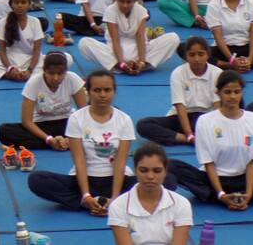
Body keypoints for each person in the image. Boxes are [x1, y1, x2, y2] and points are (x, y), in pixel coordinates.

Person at [28, 70, 174, 214]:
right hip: (83, 180)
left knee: (168, 180)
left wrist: (115, 198)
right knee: (37, 180)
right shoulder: (76, 118)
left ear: (114, 92)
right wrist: (86, 195)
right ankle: (90, 202)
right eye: (97, 90)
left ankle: (114, 203)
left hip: (117, 180)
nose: (102, 95)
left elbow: (120, 162)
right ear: (89, 92)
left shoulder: (124, 120)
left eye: (107, 90)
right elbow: (79, 160)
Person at [168, 71, 253, 209]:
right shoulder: (205, 121)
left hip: (246, 179)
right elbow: (208, 163)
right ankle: (221, 196)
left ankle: (242, 196)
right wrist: (221, 194)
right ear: (218, 93)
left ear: (242, 93)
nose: (232, 96)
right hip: (212, 179)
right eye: (227, 92)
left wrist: (249, 193)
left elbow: (252, 162)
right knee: (170, 165)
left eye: (236, 92)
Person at [137, 36, 222, 146]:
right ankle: (186, 139)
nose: (196, 59)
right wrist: (189, 135)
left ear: (208, 55)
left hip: (206, 118)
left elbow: (217, 107)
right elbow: (180, 106)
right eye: (192, 55)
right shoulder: (178, 73)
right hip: (182, 117)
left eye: (201, 54)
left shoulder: (217, 73)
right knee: (143, 125)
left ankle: (197, 136)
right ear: (186, 56)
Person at [78, 0, 178, 75]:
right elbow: (115, 39)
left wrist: (141, 61)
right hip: (115, 52)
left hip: (138, 50)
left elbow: (140, 37)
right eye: (121, 1)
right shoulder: (110, 10)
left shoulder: (141, 10)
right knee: (84, 43)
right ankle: (119, 66)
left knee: (173, 38)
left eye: (129, 2)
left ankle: (141, 66)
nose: (125, 5)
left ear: (135, 1)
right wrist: (121, 63)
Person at [0, 52, 86, 150]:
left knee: (96, 127)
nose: (55, 78)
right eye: (51, 73)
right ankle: (64, 143)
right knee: (4, 131)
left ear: (66, 72)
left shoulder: (73, 79)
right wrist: (49, 139)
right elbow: (26, 121)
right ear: (44, 71)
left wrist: (72, 135)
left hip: (66, 123)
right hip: (41, 125)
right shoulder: (34, 83)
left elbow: (84, 113)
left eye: (60, 74)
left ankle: (65, 142)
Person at [108, 143, 192, 245]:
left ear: (165, 172)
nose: (150, 176)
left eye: (157, 171)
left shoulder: (181, 204)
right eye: (143, 170)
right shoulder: (118, 206)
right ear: (135, 170)